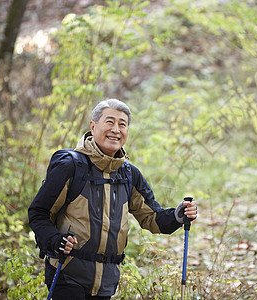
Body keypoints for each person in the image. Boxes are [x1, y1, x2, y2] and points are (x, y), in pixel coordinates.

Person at [28, 98, 197, 299]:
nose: (116, 129)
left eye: (122, 124)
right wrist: (55, 240)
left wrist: (178, 215)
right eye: (109, 122)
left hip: (106, 282)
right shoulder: (71, 166)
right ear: (93, 126)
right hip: (66, 274)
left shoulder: (129, 174)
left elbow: (152, 218)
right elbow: (39, 213)